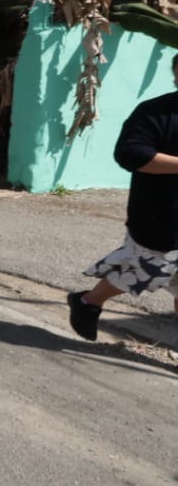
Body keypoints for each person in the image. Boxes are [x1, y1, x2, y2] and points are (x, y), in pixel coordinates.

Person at [67, 54, 178, 340]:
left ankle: (88, 303)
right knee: (145, 268)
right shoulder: (157, 112)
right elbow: (131, 153)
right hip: (161, 218)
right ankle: (88, 302)